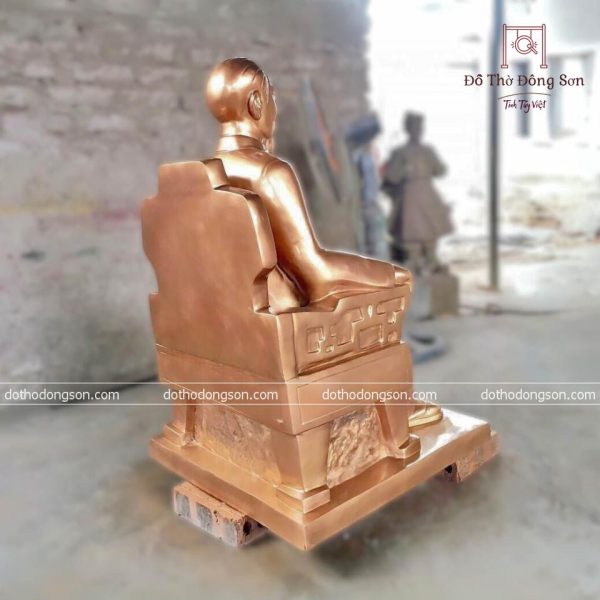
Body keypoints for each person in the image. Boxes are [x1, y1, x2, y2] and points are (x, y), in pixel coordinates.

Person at [206, 57, 412, 304]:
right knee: (399, 280)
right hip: (284, 307)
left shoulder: (206, 172)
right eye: (272, 98)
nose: (275, 110)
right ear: (256, 103)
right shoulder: (270, 172)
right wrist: (392, 275)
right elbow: (313, 272)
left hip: (235, 308)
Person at [382, 112, 453, 274]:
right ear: (408, 129)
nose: (417, 130)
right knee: (411, 231)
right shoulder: (400, 152)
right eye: (414, 126)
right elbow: (391, 177)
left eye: (419, 127)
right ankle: (414, 261)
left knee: (430, 229)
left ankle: (430, 260)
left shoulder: (427, 151)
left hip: (424, 194)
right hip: (411, 197)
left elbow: (441, 170)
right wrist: (403, 172)